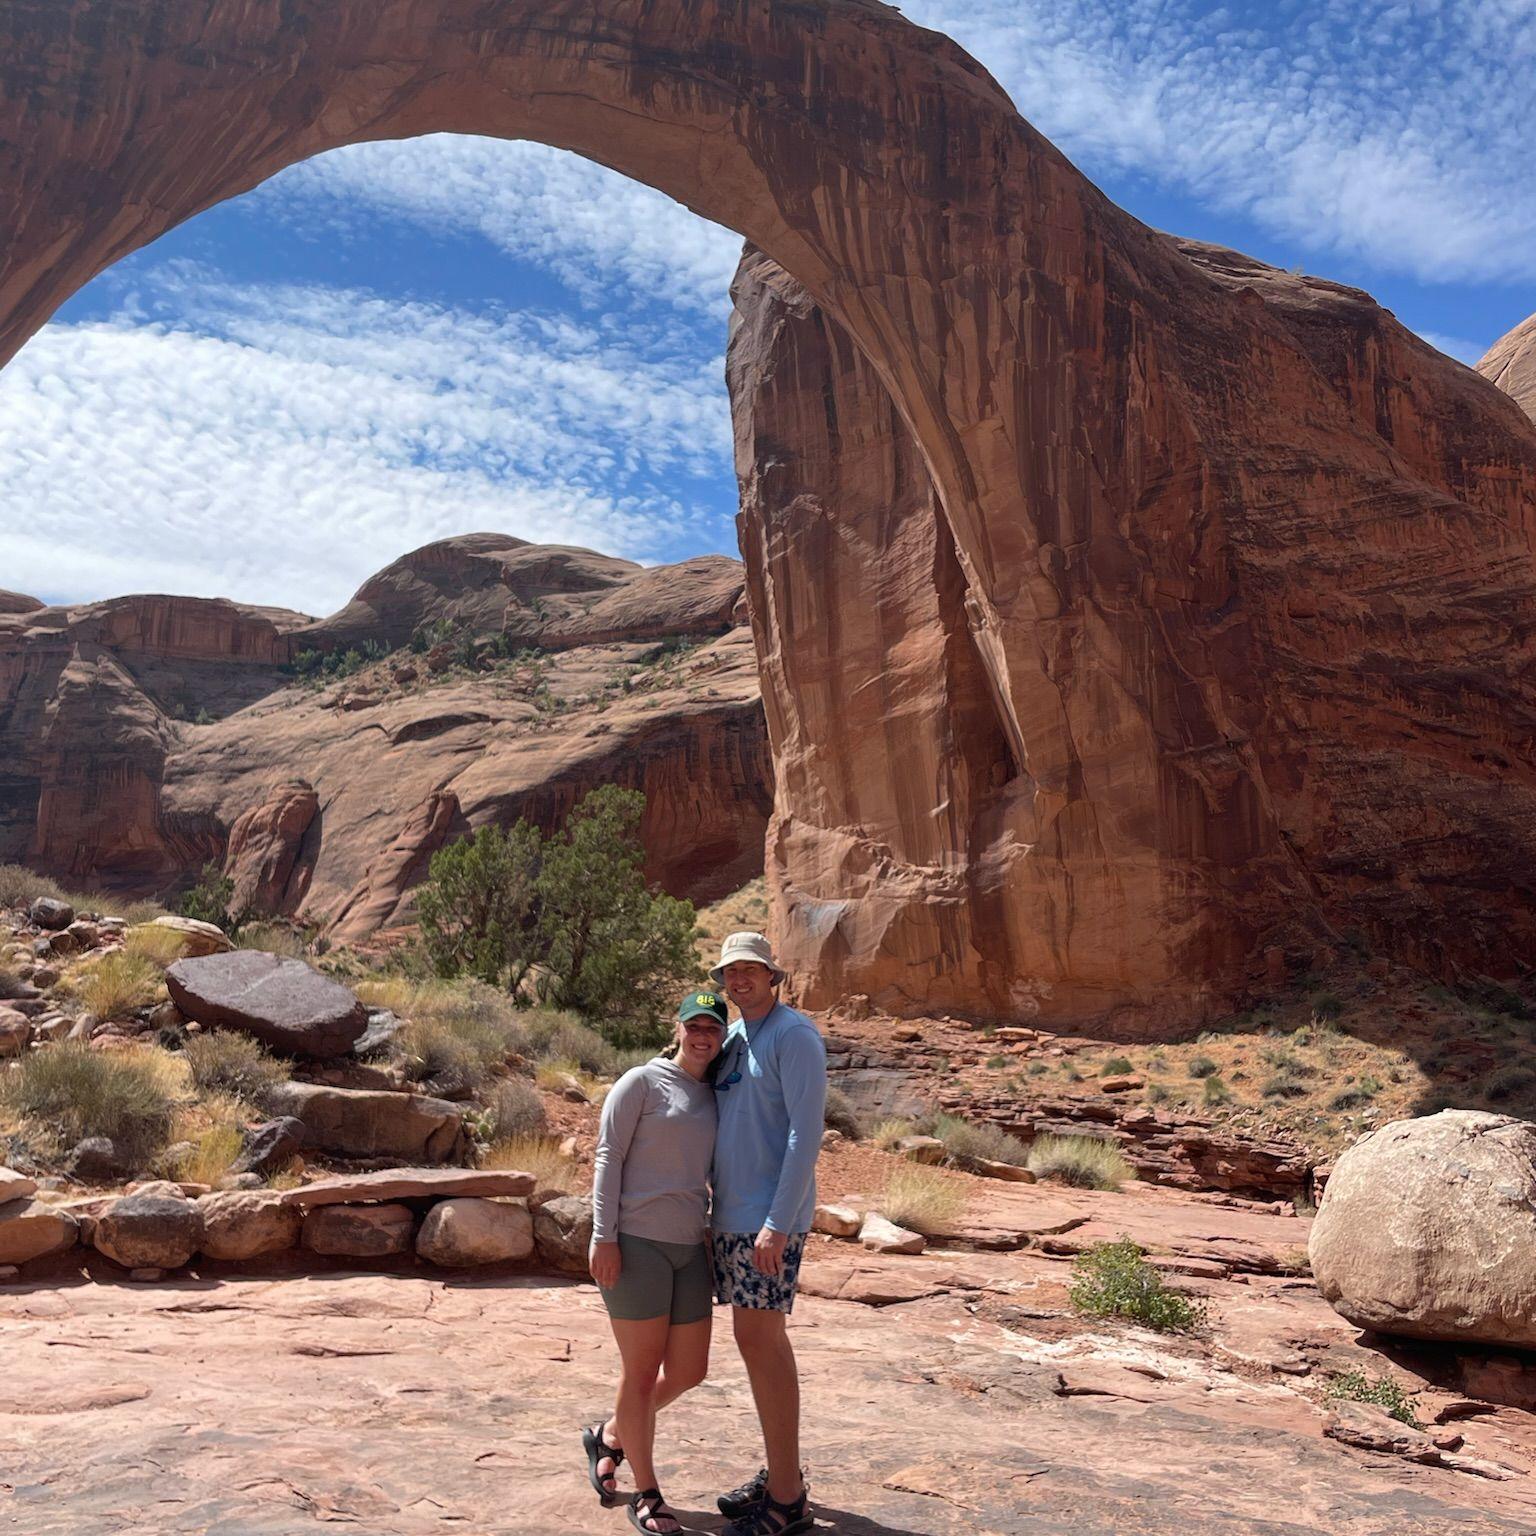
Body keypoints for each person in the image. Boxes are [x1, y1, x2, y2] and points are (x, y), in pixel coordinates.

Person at [583, 990, 728, 1536]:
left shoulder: (715, 1095)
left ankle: (613, 1434)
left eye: (712, 1028)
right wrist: (604, 1237)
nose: (701, 1036)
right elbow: (608, 1156)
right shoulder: (641, 1081)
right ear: (679, 1027)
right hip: (636, 1243)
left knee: (690, 1371)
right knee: (641, 1374)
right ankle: (647, 1493)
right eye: (694, 1025)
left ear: (721, 1039)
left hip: (690, 1248)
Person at [708, 932, 827, 1536]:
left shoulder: (794, 1035)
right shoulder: (732, 1038)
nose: (739, 980)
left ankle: (787, 1497)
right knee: (755, 1344)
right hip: (730, 1217)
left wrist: (778, 1224)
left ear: (772, 976)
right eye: (731, 972)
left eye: (751, 969)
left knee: (762, 1342)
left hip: (766, 1223)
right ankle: (783, 1472)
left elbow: (805, 1136)